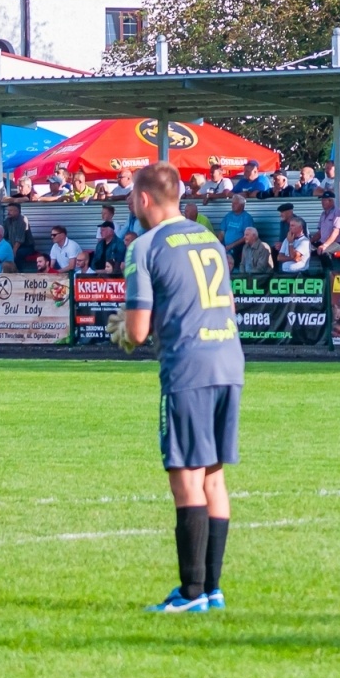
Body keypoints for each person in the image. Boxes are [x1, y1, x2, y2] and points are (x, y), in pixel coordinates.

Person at [102, 163, 246, 613]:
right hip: (229, 359)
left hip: (189, 368)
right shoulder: (211, 240)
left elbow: (139, 331)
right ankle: (213, 589)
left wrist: (123, 330)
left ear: (144, 199)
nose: (130, 205)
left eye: (130, 198)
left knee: (185, 480)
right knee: (214, 477)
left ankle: (190, 593)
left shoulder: (143, 247)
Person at [314, 193, 340, 268]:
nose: (322, 202)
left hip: (338, 243)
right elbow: (319, 233)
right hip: (324, 242)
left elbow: (336, 232)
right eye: (322, 200)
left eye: (324, 200)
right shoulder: (323, 214)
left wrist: (325, 245)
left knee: (324, 252)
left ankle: (330, 274)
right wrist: (309, 241)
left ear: (331, 201)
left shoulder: (338, 213)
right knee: (306, 250)